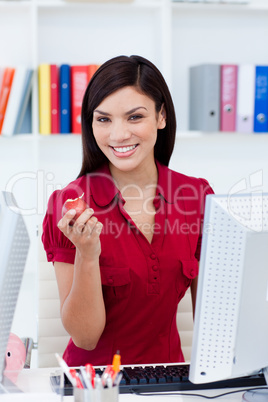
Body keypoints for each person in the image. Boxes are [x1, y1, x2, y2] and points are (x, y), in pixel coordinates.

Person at [42, 55, 214, 367]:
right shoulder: (69, 204)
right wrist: (87, 253)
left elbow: (213, 322)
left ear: (161, 116)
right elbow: (85, 337)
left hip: (169, 379)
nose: (118, 135)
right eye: (103, 119)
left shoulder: (196, 197)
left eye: (134, 117)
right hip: (94, 384)